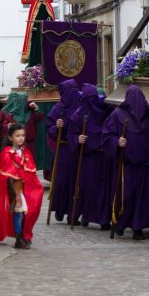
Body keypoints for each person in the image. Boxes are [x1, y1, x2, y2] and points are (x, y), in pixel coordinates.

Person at [102, 85, 149, 239]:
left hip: (144, 163)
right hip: (126, 164)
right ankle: (120, 223)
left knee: (142, 197)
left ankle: (138, 227)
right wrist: (117, 141)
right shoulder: (118, 114)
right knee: (126, 195)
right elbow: (106, 136)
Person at [0, 123, 44, 249]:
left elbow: (30, 171)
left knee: (26, 212)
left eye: (23, 135)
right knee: (19, 211)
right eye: (18, 136)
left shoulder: (26, 152)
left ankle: (24, 235)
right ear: (10, 137)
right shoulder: (6, 153)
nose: (21, 138)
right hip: (14, 188)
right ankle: (19, 238)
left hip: (26, 188)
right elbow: (4, 172)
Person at [68, 83, 114, 228]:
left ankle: (104, 219)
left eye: (94, 98)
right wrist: (77, 139)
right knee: (88, 188)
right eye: (89, 99)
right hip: (88, 158)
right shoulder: (79, 114)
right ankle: (86, 215)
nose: (92, 102)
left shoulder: (105, 109)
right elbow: (72, 134)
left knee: (103, 189)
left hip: (104, 156)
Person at [46, 79, 81, 223]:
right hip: (63, 149)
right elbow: (49, 129)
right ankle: (60, 209)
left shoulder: (80, 107)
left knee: (76, 182)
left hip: (77, 150)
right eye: (71, 89)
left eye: (75, 88)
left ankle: (74, 214)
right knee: (61, 182)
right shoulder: (58, 109)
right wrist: (57, 127)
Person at [0, 92, 43, 159]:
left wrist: (36, 107)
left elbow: (39, 116)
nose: (27, 103)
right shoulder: (11, 115)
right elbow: (4, 126)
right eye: (25, 101)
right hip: (15, 146)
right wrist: (8, 126)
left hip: (29, 145)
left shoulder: (30, 113)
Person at [21, 0, 55, 66]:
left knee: (46, 46)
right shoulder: (34, 5)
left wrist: (49, 21)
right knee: (36, 46)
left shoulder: (48, 4)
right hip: (36, 29)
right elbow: (33, 18)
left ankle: (46, 64)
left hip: (46, 29)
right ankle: (35, 64)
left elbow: (51, 17)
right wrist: (34, 27)